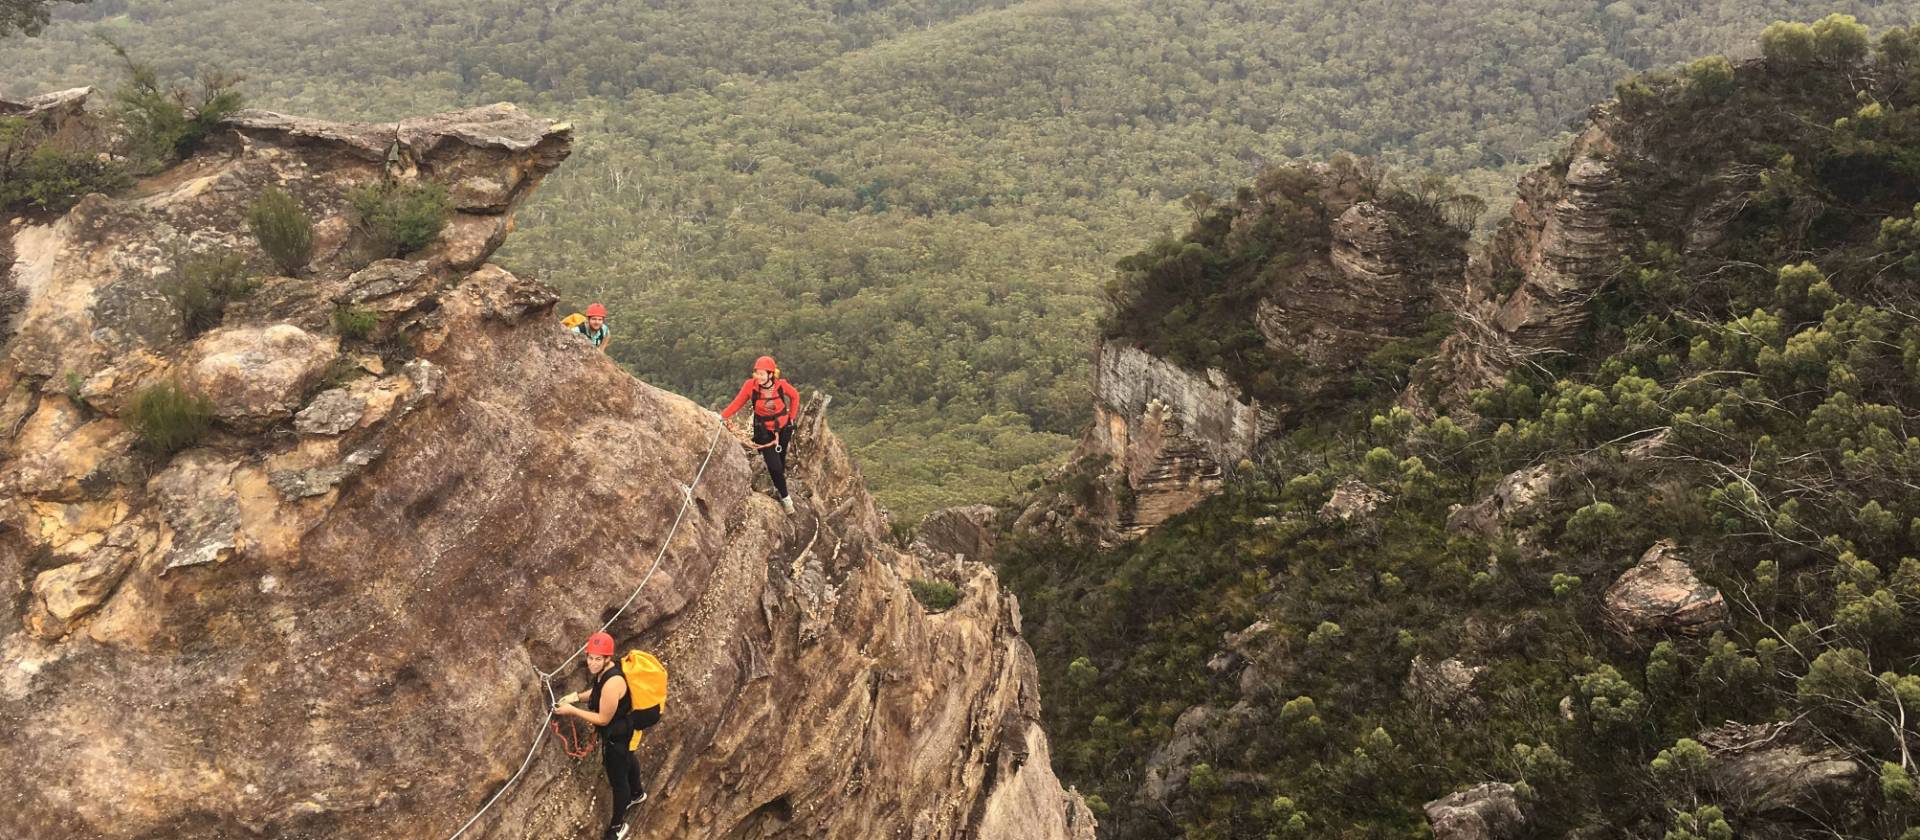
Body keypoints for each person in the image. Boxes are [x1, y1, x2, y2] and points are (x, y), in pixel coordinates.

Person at [554, 631, 643, 840]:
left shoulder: (613, 682)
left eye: (597, 659)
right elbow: (596, 694)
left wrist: (573, 710)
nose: (592, 663)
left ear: (607, 659)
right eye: (590, 657)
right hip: (623, 732)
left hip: (617, 737)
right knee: (629, 758)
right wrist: (576, 697)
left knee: (618, 782)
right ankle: (638, 793)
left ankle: (617, 827)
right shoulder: (606, 672)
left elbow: (603, 718)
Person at [719, 355, 800, 514]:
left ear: (771, 374)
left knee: (780, 462)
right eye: (757, 373)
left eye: (762, 374)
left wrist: (791, 418)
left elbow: (795, 396)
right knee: (775, 466)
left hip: (783, 429)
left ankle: (778, 486)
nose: (759, 377)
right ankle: (785, 498)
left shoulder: (781, 385)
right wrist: (723, 416)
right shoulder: (750, 386)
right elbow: (738, 402)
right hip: (763, 431)